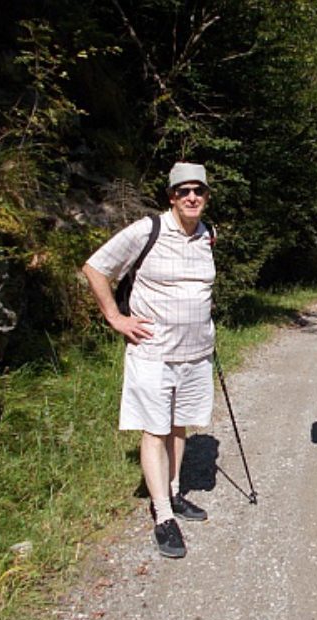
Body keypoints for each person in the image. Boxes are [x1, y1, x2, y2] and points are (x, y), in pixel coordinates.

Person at [82, 162, 216, 559]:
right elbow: (95, 268)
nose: (192, 197)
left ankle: (174, 494)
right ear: (171, 196)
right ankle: (162, 516)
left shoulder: (207, 234)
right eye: (184, 191)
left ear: (206, 196)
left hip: (195, 354)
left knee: (179, 425)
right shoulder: (148, 230)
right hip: (154, 354)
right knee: (155, 430)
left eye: (199, 191)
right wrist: (116, 318)